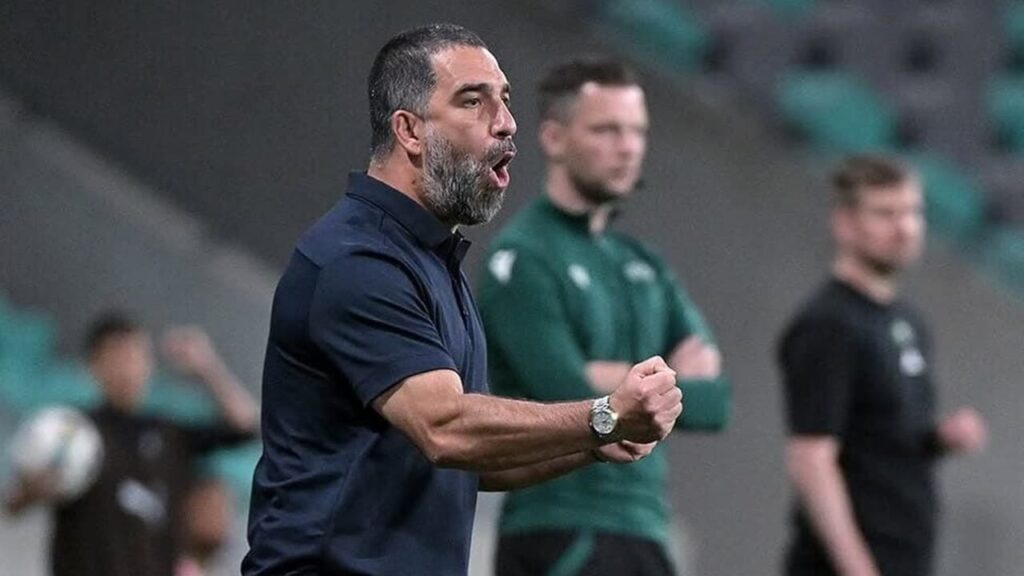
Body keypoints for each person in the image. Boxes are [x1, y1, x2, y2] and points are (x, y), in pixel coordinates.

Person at [242, 24, 684, 576]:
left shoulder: (431, 261)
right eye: (473, 101)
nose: (506, 122)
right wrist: (603, 415)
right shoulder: (357, 261)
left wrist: (593, 442)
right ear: (409, 130)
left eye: (505, 99)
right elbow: (446, 429)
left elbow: (469, 460)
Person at [477, 57, 731, 576]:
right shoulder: (523, 257)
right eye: (607, 130)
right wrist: (649, 384)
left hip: (647, 533)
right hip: (559, 528)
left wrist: (609, 379)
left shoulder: (644, 265)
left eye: (637, 131)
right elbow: (567, 393)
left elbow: (714, 402)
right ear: (554, 138)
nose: (628, 147)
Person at [777, 154, 988, 576]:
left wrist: (938, 439)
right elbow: (811, 459)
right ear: (845, 223)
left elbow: (880, 440)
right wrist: (858, 568)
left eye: (912, 212)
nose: (904, 227)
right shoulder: (829, 324)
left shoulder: (906, 321)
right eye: (885, 213)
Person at [3, 313, 258, 576]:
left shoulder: (171, 435)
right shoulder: (73, 434)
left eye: (137, 355)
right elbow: (12, 504)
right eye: (118, 356)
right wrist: (34, 489)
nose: (129, 367)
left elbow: (246, 426)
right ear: (93, 365)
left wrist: (207, 367)